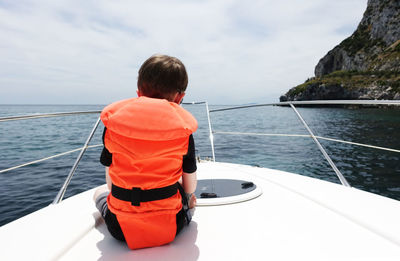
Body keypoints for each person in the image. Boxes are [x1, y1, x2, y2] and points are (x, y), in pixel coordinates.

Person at [93, 54, 198, 250]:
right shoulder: (183, 130)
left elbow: (110, 181)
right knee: (189, 198)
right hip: (169, 226)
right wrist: (189, 197)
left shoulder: (114, 125)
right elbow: (190, 185)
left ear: (139, 92)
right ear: (180, 97)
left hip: (120, 228)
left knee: (99, 193)